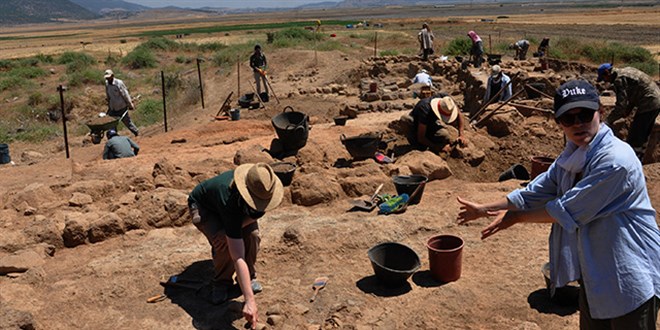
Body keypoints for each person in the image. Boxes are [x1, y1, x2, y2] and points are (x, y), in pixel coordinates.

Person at [457, 80, 660, 329]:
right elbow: (540, 188)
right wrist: (485, 208)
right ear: (558, 122)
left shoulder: (615, 161)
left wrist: (517, 217)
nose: (578, 124)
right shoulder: (573, 154)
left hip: (630, 274)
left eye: (585, 115)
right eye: (568, 118)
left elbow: (565, 209)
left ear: (601, 113)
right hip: (596, 272)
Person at [188, 163, 283, 329]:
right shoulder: (229, 199)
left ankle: (248, 276)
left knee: (252, 236)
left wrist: (232, 229)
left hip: (237, 208)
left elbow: (255, 215)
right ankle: (221, 283)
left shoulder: (263, 189)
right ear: (246, 194)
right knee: (223, 245)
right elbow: (237, 255)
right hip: (206, 207)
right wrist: (249, 301)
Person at [597, 63, 660, 160]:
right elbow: (635, 91)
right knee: (643, 134)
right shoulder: (626, 70)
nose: (606, 81)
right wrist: (628, 109)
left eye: (604, 78)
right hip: (656, 99)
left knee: (635, 136)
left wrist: (607, 121)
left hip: (648, 102)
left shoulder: (619, 80)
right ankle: (640, 158)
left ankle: (633, 160)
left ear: (607, 73)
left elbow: (620, 106)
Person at [104, 69, 139, 137]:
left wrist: (130, 104)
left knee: (127, 121)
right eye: (107, 78)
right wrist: (108, 103)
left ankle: (136, 132)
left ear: (113, 76)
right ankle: (114, 136)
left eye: (109, 77)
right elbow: (108, 94)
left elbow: (125, 94)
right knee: (112, 123)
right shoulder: (107, 83)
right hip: (112, 107)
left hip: (121, 106)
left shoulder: (118, 83)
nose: (108, 79)